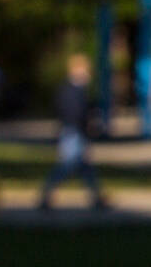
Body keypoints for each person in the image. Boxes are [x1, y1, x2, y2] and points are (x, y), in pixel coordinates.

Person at [37, 53, 108, 211]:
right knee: (67, 165)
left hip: (77, 132)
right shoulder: (70, 90)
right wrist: (85, 124)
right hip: (73, 132)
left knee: (86, 168)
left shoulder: (77, 90)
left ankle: (96, 197)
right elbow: (73, 112)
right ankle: (46, 195)